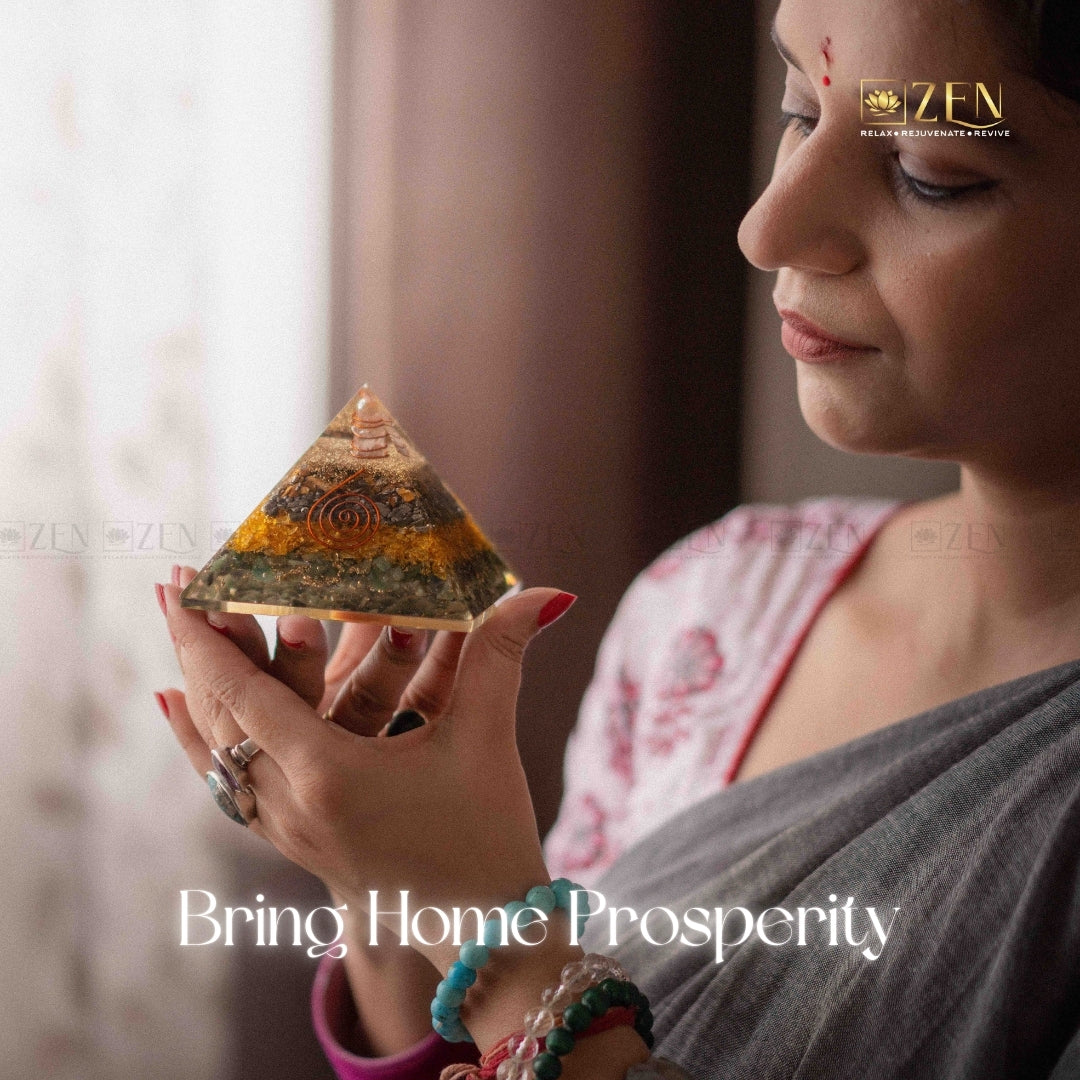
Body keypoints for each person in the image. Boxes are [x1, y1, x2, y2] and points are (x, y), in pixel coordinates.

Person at [155, 0, 1080, 1075]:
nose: (765, 227)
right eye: (799, 105)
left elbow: (537, 1003)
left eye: (930, 172)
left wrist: (487, 929)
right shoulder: (722, 605)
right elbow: (492, 1037)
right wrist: (383, 869)